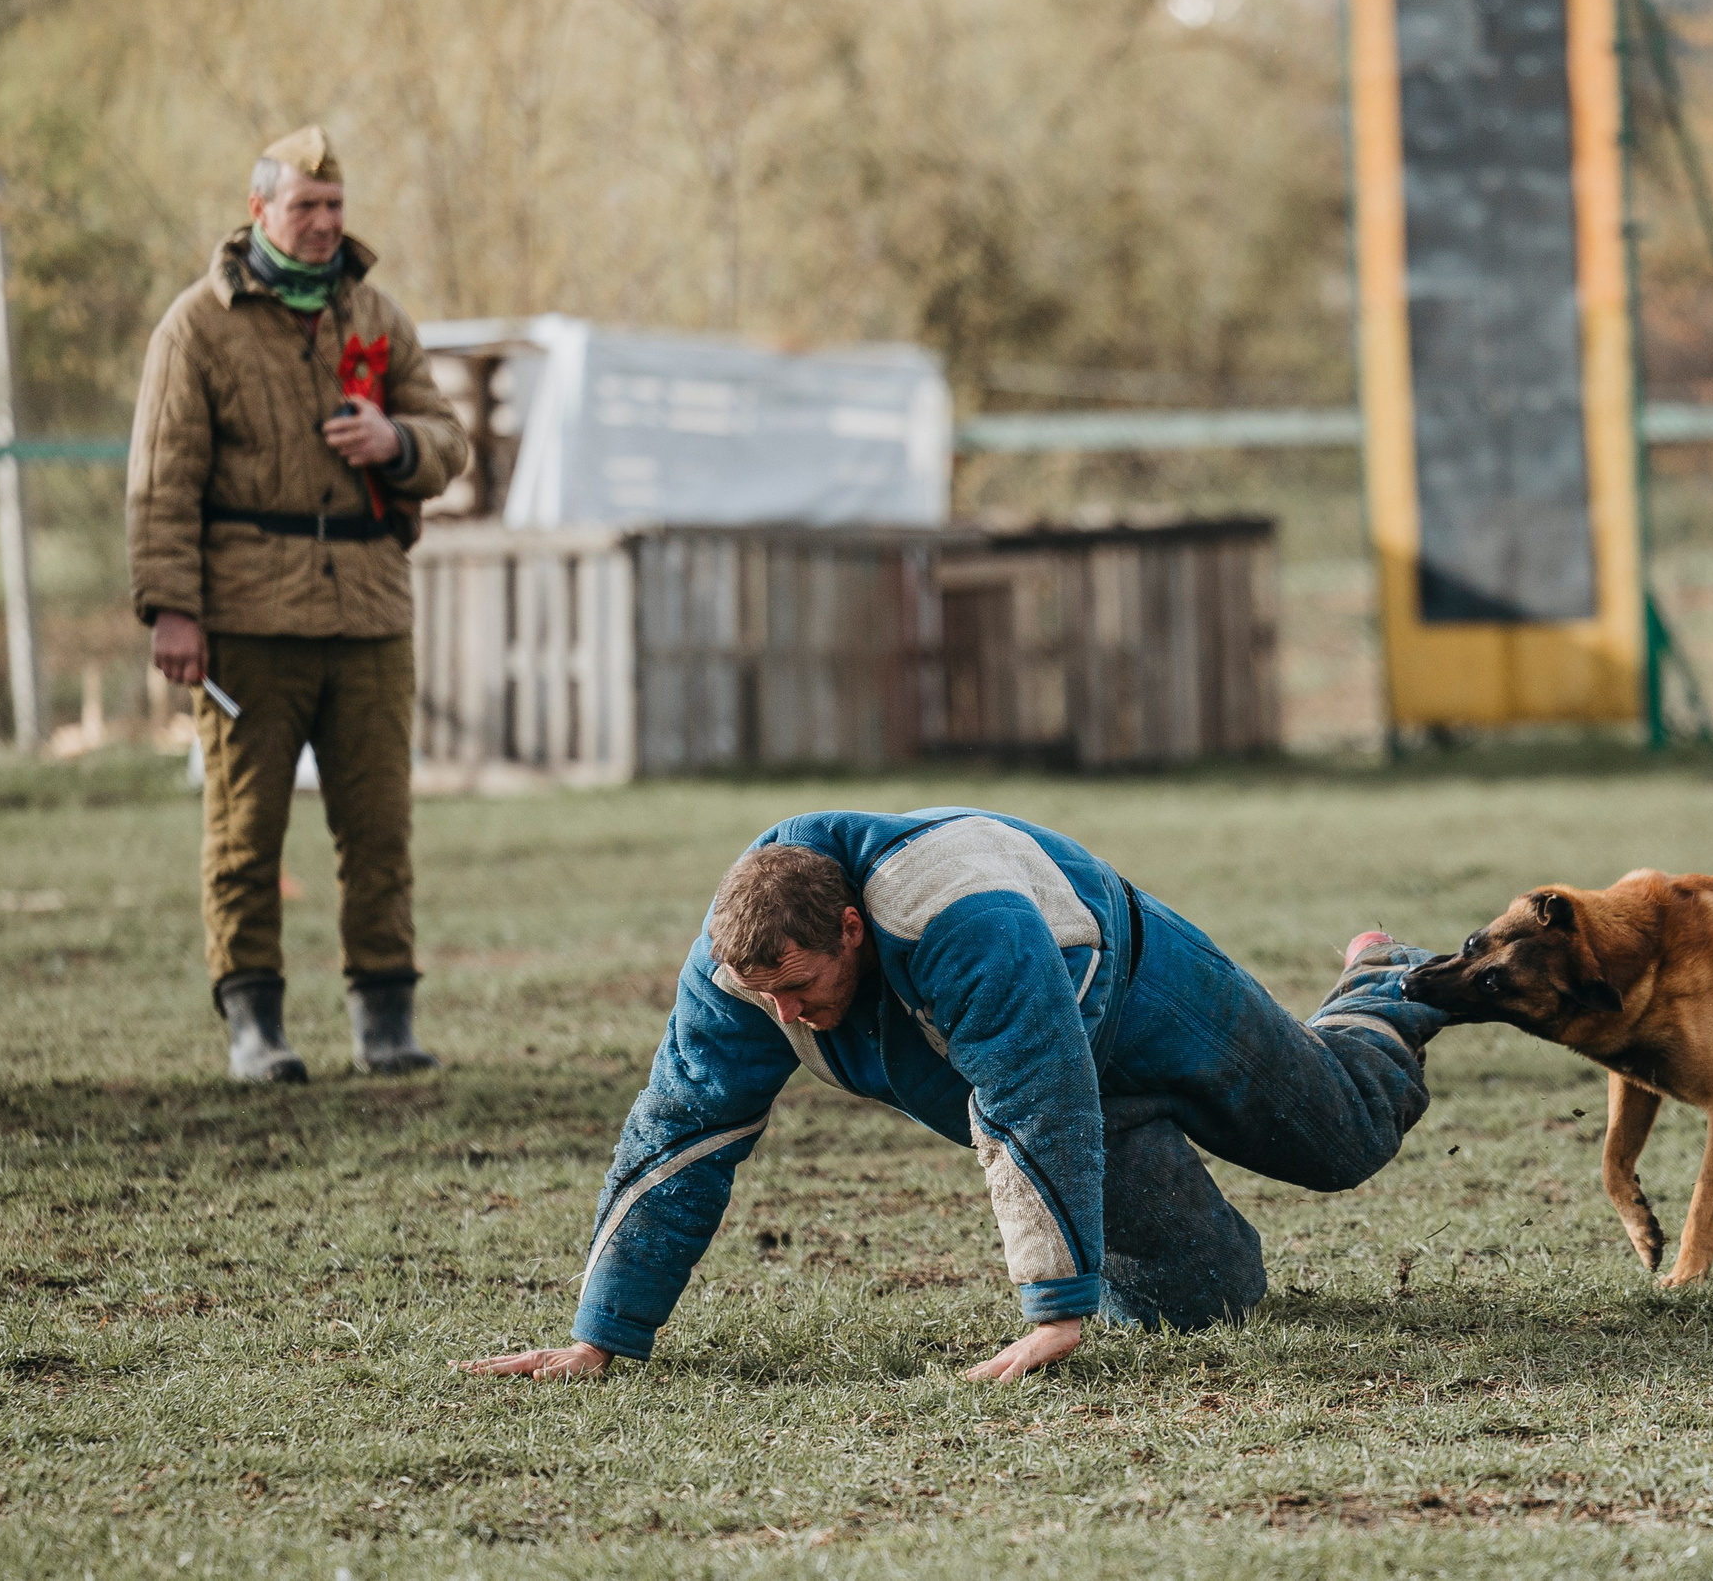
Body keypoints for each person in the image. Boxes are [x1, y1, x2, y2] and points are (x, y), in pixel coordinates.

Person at [458, 809, 1446, 1382]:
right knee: (1210, 1299)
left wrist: (1053, 1308)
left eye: (801, 985)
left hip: (1143, 989)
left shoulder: (958, 920)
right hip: (1062, 1083)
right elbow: (678, 1135)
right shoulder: (741, 978)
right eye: (770, 997)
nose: (790, 1013)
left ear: (851, 927)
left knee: (1345, 1140)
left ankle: (1380, 983)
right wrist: (604, 1333)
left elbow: (1030, 1092)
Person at [126, 125, 469, 1083]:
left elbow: (451, 439)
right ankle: (255, 1025)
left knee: (380, 829)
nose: (323, 224)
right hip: (246, 622)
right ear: (260, 211)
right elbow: (161, 483)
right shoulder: (197, 325)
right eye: (304, 207)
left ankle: (384, 1020)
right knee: (246, 830)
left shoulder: (377, 318)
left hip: (366, 614)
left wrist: (396, 442)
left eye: (335, 207)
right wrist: (172, 610)